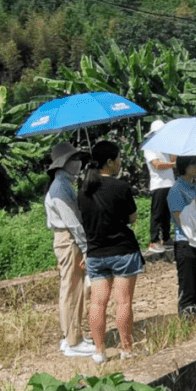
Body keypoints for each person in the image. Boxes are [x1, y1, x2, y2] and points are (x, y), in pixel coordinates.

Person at [77, 140, 143, 365]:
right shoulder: (121, 187)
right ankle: (126, 348)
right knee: (123, 302)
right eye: (118, 158)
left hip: (95, 253)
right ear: (109, 162)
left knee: (97, 303)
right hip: (123, 251)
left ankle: (99, 350)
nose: (120, 162)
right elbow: (132, 218)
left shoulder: (83, 191)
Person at [45, 141, 94, 357]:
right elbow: (72, 222)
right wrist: (86, 248)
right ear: (64, 163)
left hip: (66, 238)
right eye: (75, 159)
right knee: (73, 289)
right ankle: (74, 341)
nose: (79, 163)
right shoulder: (60, 187)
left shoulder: (63, 184)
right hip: (69, 239)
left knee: (71, 288)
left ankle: (70, 336)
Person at [168, 156, 196, 323]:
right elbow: (182, 221)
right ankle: (187, 326)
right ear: (185, 167)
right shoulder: (176, 191)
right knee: (188, 288)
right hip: (186, 243)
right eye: (194, 164)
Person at [144, 119, 175, 254]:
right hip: (158, 184)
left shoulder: (167, 145)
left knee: (167, 213)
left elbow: (174, 159)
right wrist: (173, 165)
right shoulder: (149, 147)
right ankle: (154, 240)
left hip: (170, 182)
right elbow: (156, 164)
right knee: (157, 213)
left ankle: (166, 238)